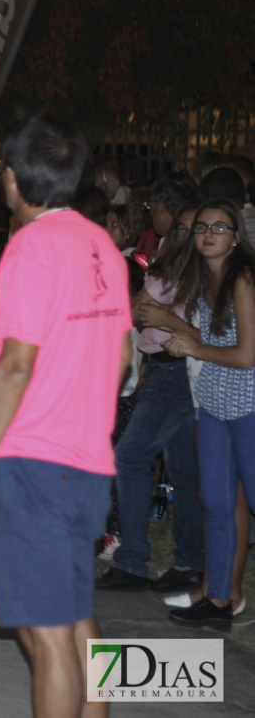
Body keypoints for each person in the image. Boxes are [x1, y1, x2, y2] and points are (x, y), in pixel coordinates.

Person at [0, 115, 132, 718]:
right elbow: (125, 353)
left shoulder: (30, 246)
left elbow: (14, 366)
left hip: (33, 461)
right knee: (76, 619)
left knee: (47, 638)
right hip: (87, 463)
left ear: (11, 177)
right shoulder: (101, 243)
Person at [95, 187, 202, 596]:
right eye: (182, 228)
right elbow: (139, 310)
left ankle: (133, 560)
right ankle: (188, 560)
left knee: (131, 455)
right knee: (180, 469)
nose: (188, 236)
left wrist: (159, 317)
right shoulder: (170, 266)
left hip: (176, 373)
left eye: (198, 229)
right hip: (161, 370)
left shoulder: (200, 275)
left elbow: (198, 331)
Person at [160, 199, 255, 626]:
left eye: (221, 226)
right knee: (216, 504)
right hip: (215, 404)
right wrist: (184, 342)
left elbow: (248, 355)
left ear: (236, 239)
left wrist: (194, 346)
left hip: (249, 407)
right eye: (202, 227)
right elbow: (212, 341)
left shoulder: (244, 279)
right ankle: (218, 600)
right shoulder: (202, 282)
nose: (209, 233)